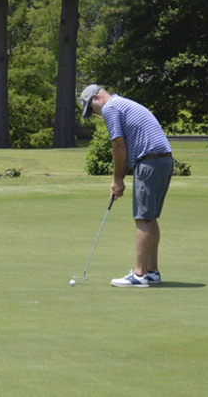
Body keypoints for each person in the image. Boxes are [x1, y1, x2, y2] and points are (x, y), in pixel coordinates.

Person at [80, 84, 174, 288]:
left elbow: (118, 145)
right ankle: (151, 271)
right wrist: (119, 181)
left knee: (142, 217)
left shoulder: (111, 107)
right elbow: (128, 149)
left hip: (150, 162)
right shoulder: (123, 104)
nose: (95, 114)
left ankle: (139, 275)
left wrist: (116, 180)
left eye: (92, 109)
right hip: (162, 160)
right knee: (150, 217)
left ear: (96, 97)